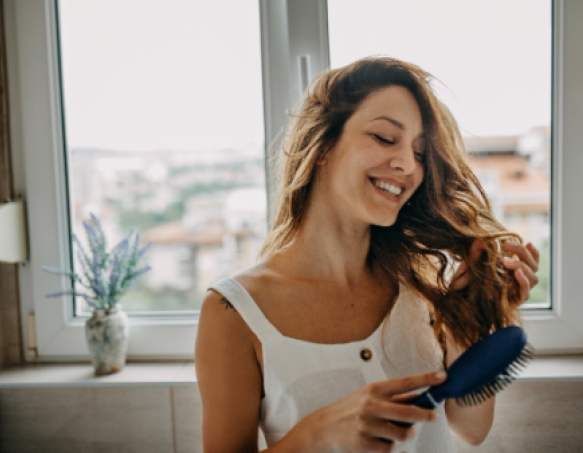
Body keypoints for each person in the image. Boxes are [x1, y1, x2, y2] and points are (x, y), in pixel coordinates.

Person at [196, 57, 540, 452]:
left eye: (421, 153)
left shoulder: (421, 286)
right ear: (323, 144)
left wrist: (472, 319)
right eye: (384, 137)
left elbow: (471, 428)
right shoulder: (234, 313)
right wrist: (315, 436)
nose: (408, 164)